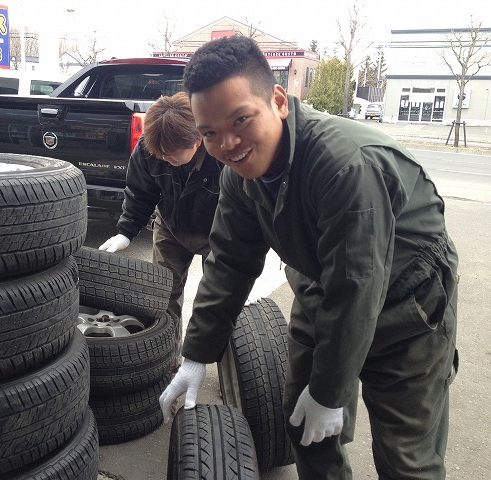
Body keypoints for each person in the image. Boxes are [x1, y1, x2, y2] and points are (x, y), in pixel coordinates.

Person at [159, 36, 458, 480]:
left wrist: (330, 392)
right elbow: (228, 264)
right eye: (210, 134)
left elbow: (357, 285)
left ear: (278, 100)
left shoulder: (345, 166)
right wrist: (197, 354)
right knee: (306, 430)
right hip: (323, 289)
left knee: (405, 457)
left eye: (241, 119)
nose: (229, 143)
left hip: (407, 304)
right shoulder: (241, 175)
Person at [99, 91, 222, 371]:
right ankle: (168, 365)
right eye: (159, 154)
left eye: (171, 154)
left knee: (215, 302)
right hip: (171, 227)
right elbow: (140, 192)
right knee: (165, 298)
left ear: (197, 139)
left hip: (219, 232)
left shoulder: (223, 152)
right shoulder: (149, 148)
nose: (164, 159)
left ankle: (224, 369)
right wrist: (125, 232)